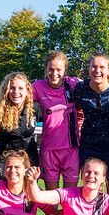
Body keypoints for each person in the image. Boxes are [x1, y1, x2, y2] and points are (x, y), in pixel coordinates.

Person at [73, 53, 109, 197]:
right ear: (89, 68)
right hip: (89, 147)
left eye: (101, 67)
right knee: (91, 196)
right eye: (94, 66)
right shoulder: (81, 88)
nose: (97, 70)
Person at [32, 51, 82, 190]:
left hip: (71, 149)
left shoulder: (73, 83)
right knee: (52, 198)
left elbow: (97, 84)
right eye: (51, 69)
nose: (54, 73)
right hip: (49, 149)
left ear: (65, 70)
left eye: (59, 69)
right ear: (46, 69)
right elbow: (18, 97)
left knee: (69, 198)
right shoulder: (37, 86)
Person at [0, 72, 39, 179]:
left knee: (28, 194)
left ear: (27, 90)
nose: (16, 92)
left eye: (20, 88)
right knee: (2, 193)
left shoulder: (35, 108)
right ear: (7, 90)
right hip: (4, 160)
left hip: (29, 159)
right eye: (12, 88)